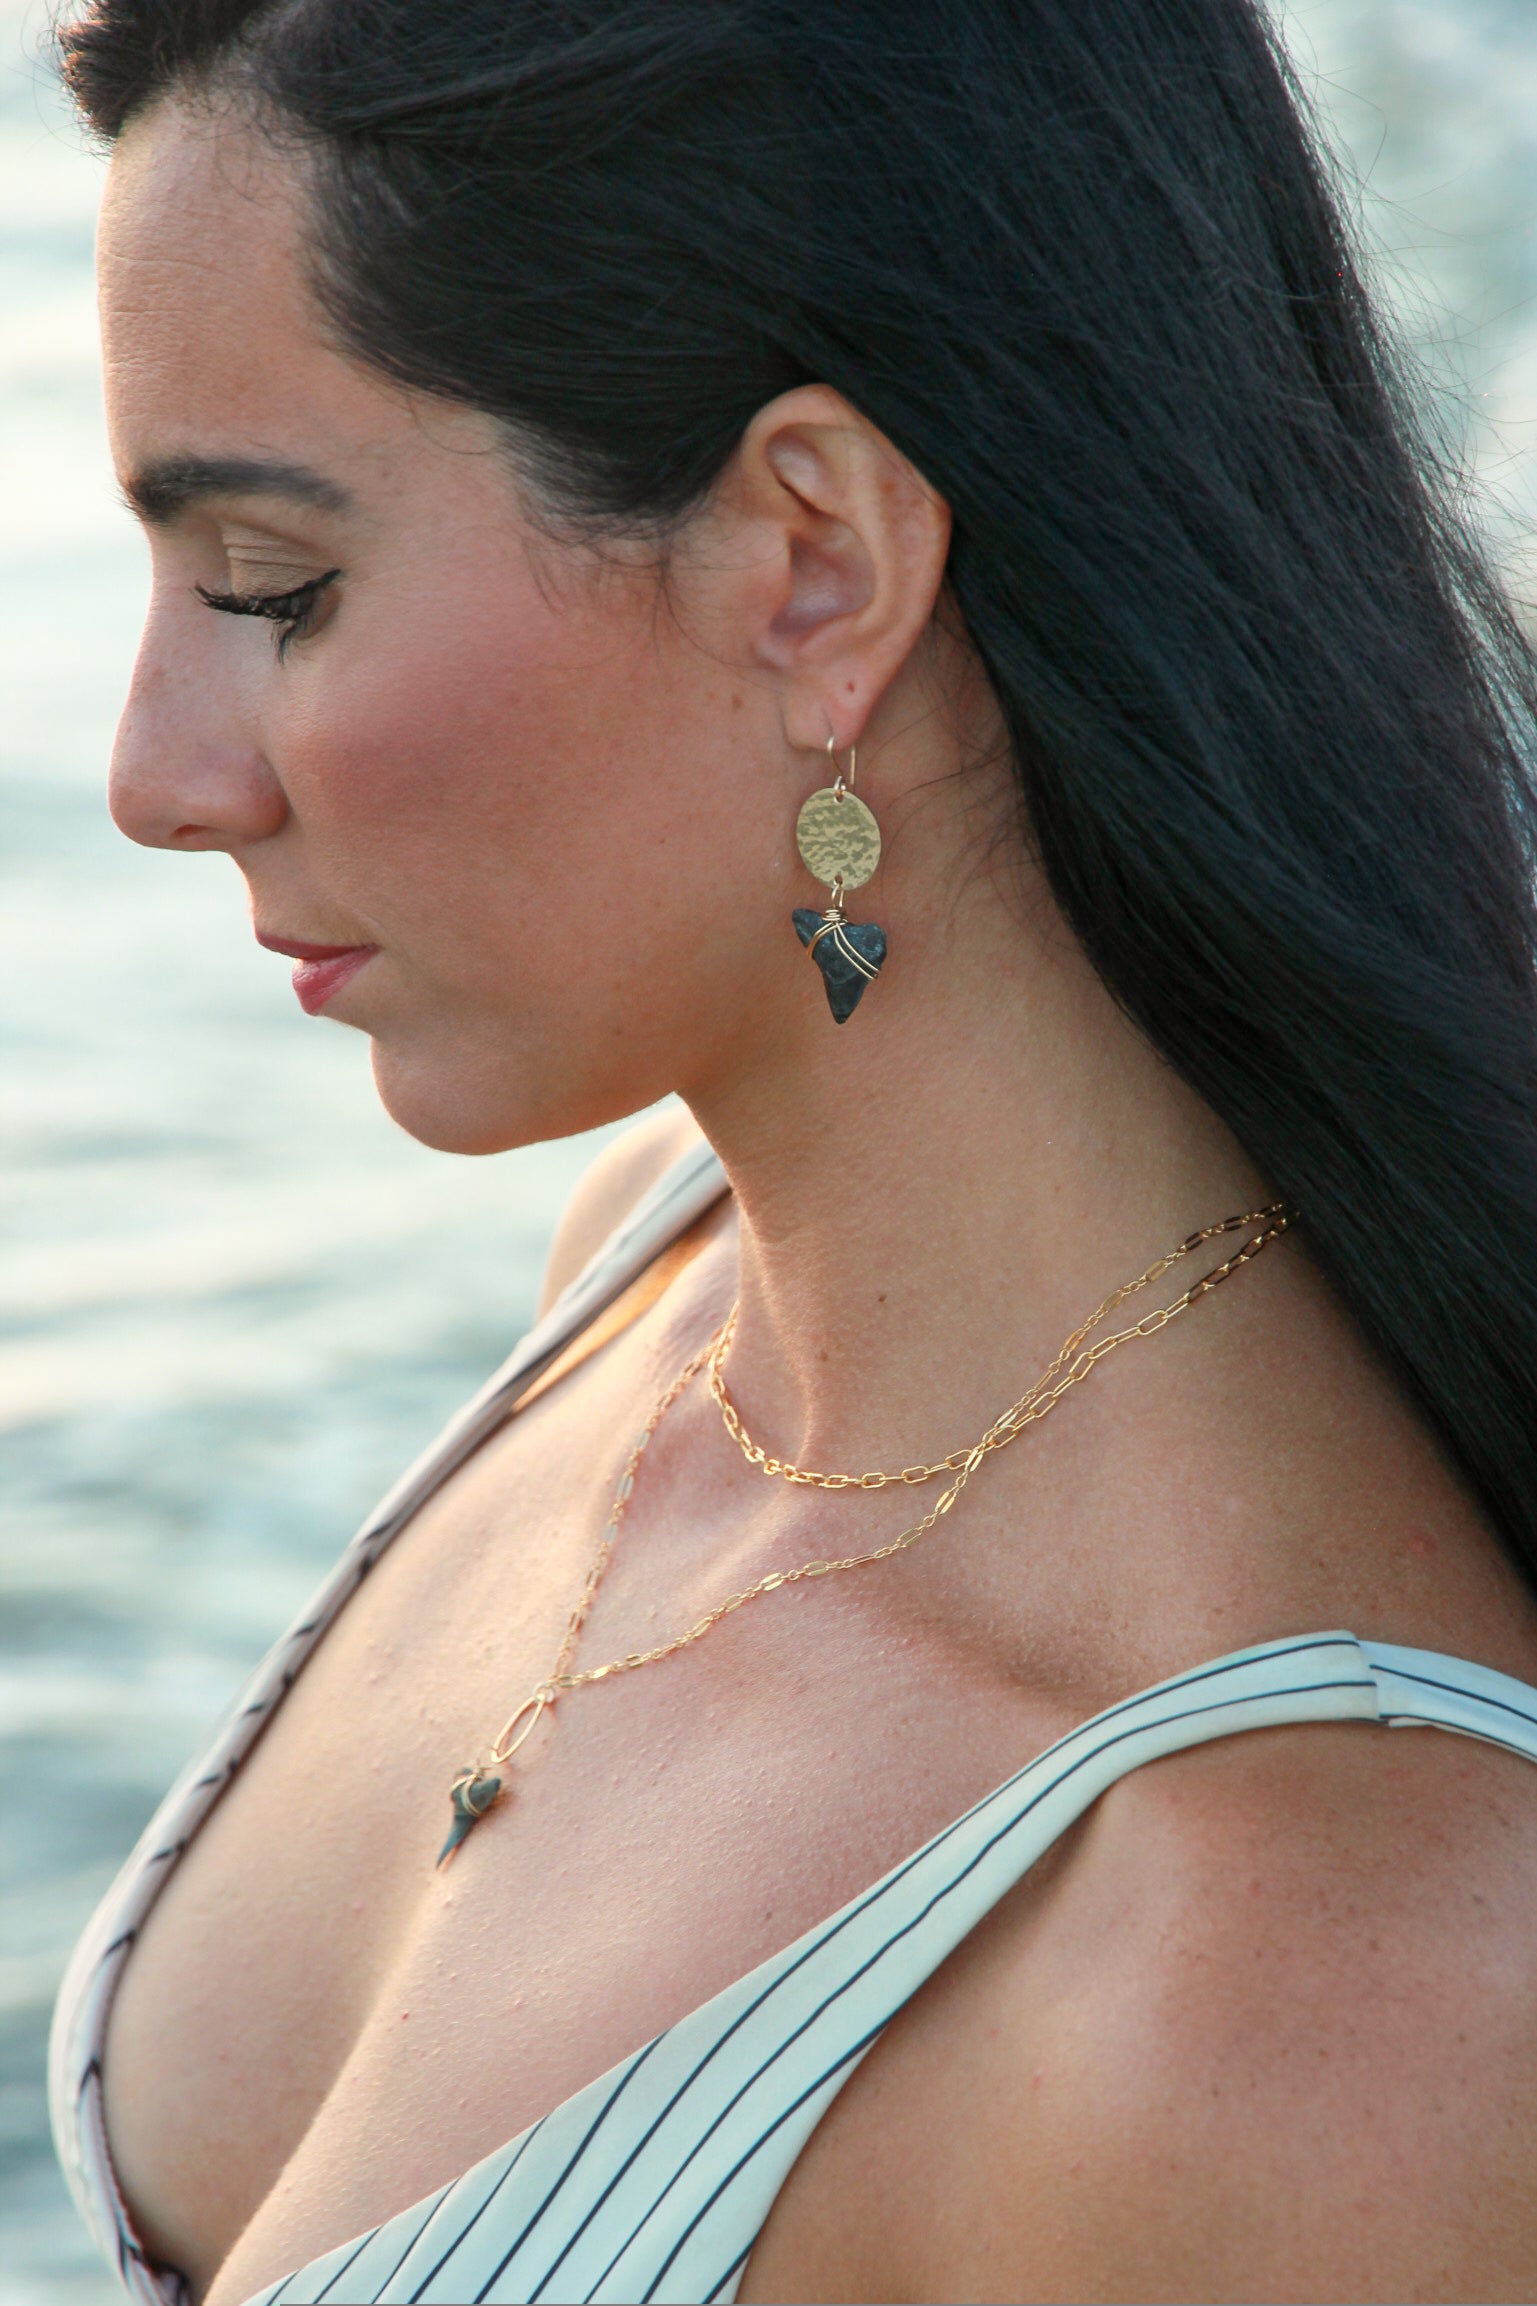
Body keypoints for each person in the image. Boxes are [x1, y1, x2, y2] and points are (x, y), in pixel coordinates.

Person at [45, 0, 1537, 2299]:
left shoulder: (1298, 1988)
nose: (154, 771)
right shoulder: (638, 1280)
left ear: (814, 560)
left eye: (269, 584)